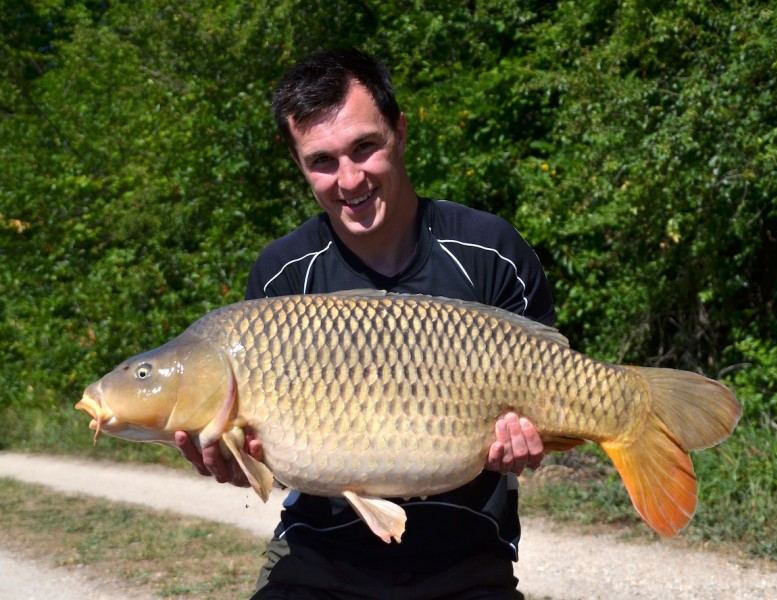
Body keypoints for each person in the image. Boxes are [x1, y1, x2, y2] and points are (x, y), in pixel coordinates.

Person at [176, 48, 556, 600]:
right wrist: (241, 463)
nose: (349, 179)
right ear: (298, 163)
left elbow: (546, 402)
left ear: (399, 131)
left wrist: (530, 441)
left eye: (364, 147)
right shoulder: (281, 275)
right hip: (320, 556)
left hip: (468, 555)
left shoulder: (491, 250)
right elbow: (288, 459)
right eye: (322, 161)